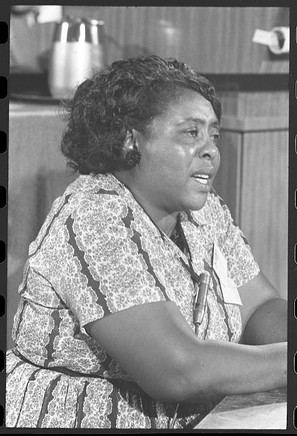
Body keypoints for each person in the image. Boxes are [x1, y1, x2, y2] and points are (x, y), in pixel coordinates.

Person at [6, 55, 287, 429]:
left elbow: (259, 307)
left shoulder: (205, 212)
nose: (211, 150)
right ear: (129, 139)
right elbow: (176, 370)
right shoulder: (93, 216)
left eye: (213, 134)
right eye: (191, 133)